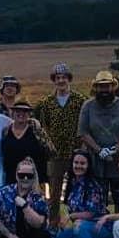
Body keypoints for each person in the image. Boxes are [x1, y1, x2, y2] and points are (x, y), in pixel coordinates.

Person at [34, 62, 87, 224]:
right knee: (54, 193)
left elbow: (84, 125)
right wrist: (49, 148)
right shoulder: (47, 103)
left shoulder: (80, 100)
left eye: (64, 77)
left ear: (69, 79)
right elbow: (44, 128)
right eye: (58, 78)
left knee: (78, 190)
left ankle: (77, 224)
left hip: (75, 153)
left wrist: (82, 148)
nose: (61, 81)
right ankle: (53, 226)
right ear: (54, 80)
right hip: (54, 154)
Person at [77, 71, 119, 210]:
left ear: (113, 87)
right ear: (96, 88)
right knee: (97, 202)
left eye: (107, 86)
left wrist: (116, 147)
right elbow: (83, 132)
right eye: (101, 86)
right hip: (95, 163)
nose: (104, 90)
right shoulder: (88, 106)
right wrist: (99, 150)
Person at [51, 149, 112, 238]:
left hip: (100, 228)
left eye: (82, 163)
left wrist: (70, 217)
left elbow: (91, 213)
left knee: (79, 226)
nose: (78, 166)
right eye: (76, 162)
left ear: (88, 165)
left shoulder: (93, 185)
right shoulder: (72, 183)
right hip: (82, 229)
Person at [2, 98, 55, 185]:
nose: (21, 114)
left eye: (25, 111)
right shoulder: (6, 131)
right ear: (12, 113)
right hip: (11, 178)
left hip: (34, 178)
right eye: (18, 111)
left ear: (29, 114)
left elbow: (51, 151)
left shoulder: (36, 130)